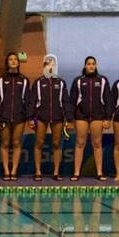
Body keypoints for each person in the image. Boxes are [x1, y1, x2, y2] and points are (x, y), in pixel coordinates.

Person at [68, 56, 109, 181]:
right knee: (80, 143)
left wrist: (107, 118)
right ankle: (76, 172)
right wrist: (70, 119)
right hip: (81, 116)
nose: (91, 66)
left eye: (93, 64)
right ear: (85, 66)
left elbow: (108, 100)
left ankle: (100, 172)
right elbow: (72, 101)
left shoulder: (102, 80)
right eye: (89, 64)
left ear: (95, 66)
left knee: (97, 143)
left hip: (97, 116)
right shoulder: (78, 81)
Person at [30, 54, 68, 182]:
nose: (50, 66)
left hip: (57, 117)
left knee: (56, 144)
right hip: (41, 117)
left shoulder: (61, 83)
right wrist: (31, 118)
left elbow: (65, 101)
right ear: (44, 65)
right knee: (39, 143)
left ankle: (56, 172)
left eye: (52, 63)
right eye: (48, 63)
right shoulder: (38, 82)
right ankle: (37, 171)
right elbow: (32, 101)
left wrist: (68, 118)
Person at [0, 52, 29, 182]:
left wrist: (30, 118)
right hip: (4, 117)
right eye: (10, 59)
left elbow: (28, 101)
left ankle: (14, 171)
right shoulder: (1, 80)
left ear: (18, 63)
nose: (13, 61)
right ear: (7, 63)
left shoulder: (24, 80)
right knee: (5, 143)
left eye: (15, 59)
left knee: (17, 143)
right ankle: (6, 171)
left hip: (19, 117)